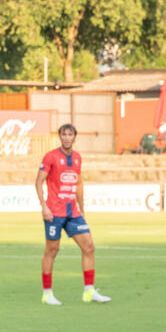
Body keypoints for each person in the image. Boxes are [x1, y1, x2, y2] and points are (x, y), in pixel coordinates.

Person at [35, 123, 109, 305]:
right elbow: (38, 182)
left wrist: (82, 208)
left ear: (75, 137)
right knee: (52, 250)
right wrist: (44, 206)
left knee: (89, 247)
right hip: (54, 212)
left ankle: (89, 291)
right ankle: (47, 293)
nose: (67, 137)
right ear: (59, 136)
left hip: (73, 212)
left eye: (70, 134)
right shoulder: (51, 156)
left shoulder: (77, 158)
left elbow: (79, 183)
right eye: (64, 134)